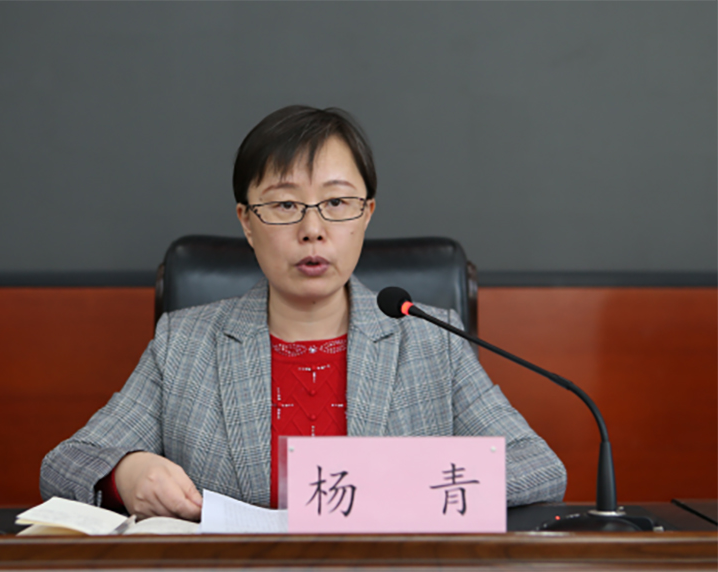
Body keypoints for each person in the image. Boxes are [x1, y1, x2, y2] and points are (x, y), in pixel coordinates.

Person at [40, 105, 566, 521]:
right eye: (285, 205)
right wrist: (125, 474)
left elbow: (538, 467)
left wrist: (394, 488)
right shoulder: (185, 343)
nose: (312, 230)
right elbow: (66, 463)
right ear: (247, 222)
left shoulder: (432, 339)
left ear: (366, 214)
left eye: (336, 203)